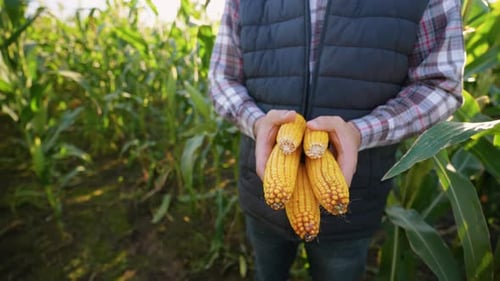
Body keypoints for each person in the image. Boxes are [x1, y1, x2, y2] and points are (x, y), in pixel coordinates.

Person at [208, 0, 465, 280]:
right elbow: (223, 77)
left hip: (353, 197)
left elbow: (441, 85)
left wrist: (360, 133)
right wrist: (257, 124)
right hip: (262, 191)